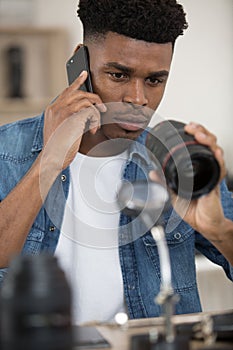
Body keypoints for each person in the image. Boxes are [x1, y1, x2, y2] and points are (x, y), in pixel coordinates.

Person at [0, 0, 233, 325]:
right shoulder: (5, 149)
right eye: (119, 75)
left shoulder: (178, 156)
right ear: (80, 61)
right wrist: (49, 161)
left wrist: (217, 229)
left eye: (154, 80)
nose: (137, 99)